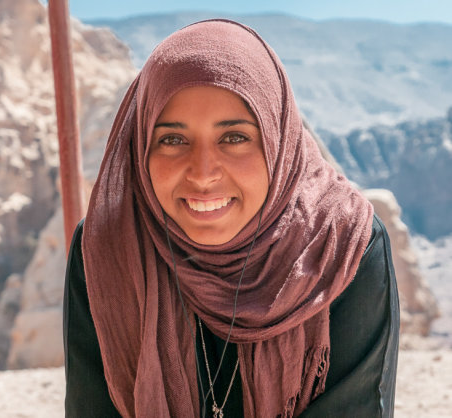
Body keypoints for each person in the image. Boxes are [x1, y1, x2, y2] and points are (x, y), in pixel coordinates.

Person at [63, 19, 399, 417]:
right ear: (141, 148)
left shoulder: (339, 245)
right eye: (172, 140)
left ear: (276, 141)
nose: (203, 173)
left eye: (234, 137)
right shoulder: (111, 249)